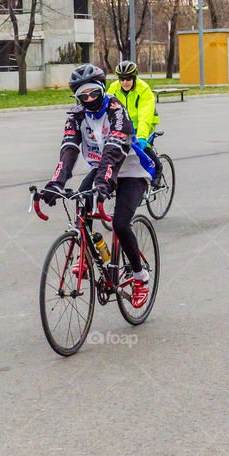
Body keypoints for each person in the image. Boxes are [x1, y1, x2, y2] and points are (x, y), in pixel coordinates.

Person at [40, 64, 155, 307]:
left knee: (120, 224)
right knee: (82, 202)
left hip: (131, 169)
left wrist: (104, 183)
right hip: (102, 168)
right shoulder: (76, 115)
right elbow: (69, 150)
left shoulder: (116, 110)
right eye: (83, 96)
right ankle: (87, 253)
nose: (89, 98)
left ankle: (139, 276)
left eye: (93, 92)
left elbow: (115, 150)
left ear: (103, 89)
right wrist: (56, 183)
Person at [106, 60, 163, 187]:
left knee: (143, 146)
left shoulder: (143, 89)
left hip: (143, 125)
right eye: (122, 79)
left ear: (134, 77)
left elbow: (145, 116)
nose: (124, 82)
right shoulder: (113, 88)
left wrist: (142, 137)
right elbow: (107, 111)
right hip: (123, 125)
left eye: (128, 79)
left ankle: (158, 167)